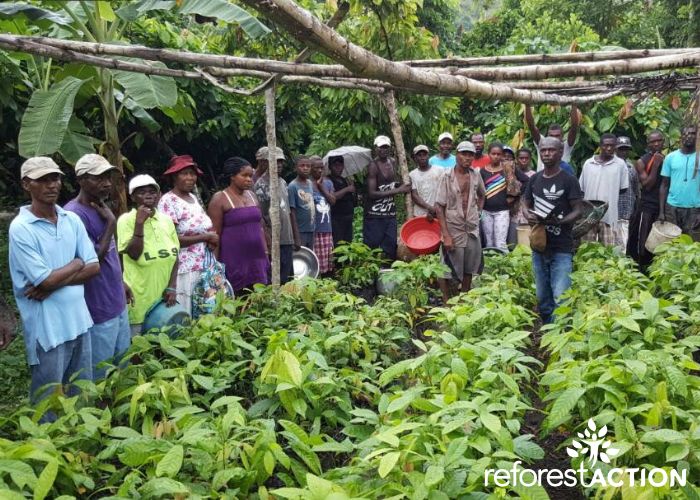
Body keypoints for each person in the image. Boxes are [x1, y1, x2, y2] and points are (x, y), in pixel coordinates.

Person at [9, 157, 99, 405]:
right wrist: (76, 262)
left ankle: (80, 442)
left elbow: (94, 266)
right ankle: (43, 443)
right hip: (47, 328)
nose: (52, 185)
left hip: (79, 320)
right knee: (47, 400)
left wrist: (55, 280)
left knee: (80, 393)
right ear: (27, 184)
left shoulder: (71, 219)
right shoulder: (21, 228)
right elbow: (45, 280)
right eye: (43, 180)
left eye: (55, 178)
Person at [64, 154, 130, 379]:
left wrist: (120, 282)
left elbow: (111, 254)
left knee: (121, 369)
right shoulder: (74, 214)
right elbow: (91, 261)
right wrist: (111, 223)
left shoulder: (100, 206)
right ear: (81, 180)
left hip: (116, 301)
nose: (107, 183)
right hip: (98, 307)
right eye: (99, 178)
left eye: (108, 177)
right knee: (101, 375)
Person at [524, 137, 585, 324]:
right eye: (543, 150)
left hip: (561, 247)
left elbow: (579, 209)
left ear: (560, 153)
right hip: (539, 247)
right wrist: (528, 215)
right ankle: (547, 333)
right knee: (543, 297)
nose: (546, 153)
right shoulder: (535, 179)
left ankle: (561, 335)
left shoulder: (569, 180)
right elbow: (525, 203)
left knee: (561, 296)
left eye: (551, 150)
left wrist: (561, 222)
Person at [117, 175, 179, 335]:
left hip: (164, 299)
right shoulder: (126, 220)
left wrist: (172, 286)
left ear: (159, 195)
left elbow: (175, 255)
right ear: (132, 197)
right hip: (139, 297)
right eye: (142, 192)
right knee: (139, 348)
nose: (149, 195)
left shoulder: (166, 220)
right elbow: (134, 254)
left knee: (164, 344)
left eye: (152, 191)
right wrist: (139, 223)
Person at [157, 155, 218, 316]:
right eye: (184, 174)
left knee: (204, 310)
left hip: (202, 264)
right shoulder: (168, 201)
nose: (190, 178)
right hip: (183, 268)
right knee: (186, 312)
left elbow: (203, 225)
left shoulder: (192, 197)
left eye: (192, 174)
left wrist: (211, 237)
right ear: (174, 177)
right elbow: (171, 240)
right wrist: (205, 237)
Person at [208, 157, 269, 292]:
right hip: (234, 259)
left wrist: (266, 252)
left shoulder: (252, 196)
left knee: (258, 296)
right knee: (236, 295)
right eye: (244, 175)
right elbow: (214, 235)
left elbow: (260, 227)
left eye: (251, 176)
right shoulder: (220, 199)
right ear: (232, 176)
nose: (249, 179)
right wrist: (214, 265)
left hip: (256, 257)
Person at [435, 141, 485, 301]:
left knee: (470, 266)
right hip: (453, 227)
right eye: (464, 154)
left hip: (471, 227)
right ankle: (445, 301)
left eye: (470, 154)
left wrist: (478, 212)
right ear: (457, 155)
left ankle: (464, 298)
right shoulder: (446, 176)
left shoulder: (476, 175)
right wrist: (446, 234)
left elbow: (483, 194)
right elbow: (439, 206)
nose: (467, 158)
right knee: (445, 267)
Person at [363, 135, 411, 260]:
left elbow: (390, 184)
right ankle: (371, 276)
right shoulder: (373, 166)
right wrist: (398, 190)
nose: (383, 150)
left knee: (390, 246)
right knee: (371, 247)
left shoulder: (393, 162)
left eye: (386, 147)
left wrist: (399, 185)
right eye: (380, 147)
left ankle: (388, 274)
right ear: (375, 149)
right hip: (374, 214)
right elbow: (372, 193)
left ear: (390, 148)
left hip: (389, 213)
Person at [253, 146, 295, 283]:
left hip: (286, 238)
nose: (279, 165)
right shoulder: (261, 185)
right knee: (276, 279)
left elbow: (287, 210)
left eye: (281, 161)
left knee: (288, 279)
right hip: (274, 240)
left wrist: (294, 236)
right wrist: (268, 240)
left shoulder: (282, 182)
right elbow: (261, 217)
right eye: (276, 161)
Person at [579, 134, 629, 245]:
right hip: (589, 216)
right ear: (600, 146)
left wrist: (609, 194)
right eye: (606, 145)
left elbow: (623, 189)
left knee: (608, 250)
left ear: (615, 146)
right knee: (586, 249)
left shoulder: (620, 165)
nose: (609, 148)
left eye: (612, 145)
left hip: (609, 216)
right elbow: (581, 189)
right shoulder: (588, 163)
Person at [627, 131, 665, 268]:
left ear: (663, 142)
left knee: (660, 241)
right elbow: (647, 186)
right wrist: (655, 166)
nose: (656, 144)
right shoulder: (641, 161)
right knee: (643, 240)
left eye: (659, 140)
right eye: (652, 142)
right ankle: (640, 268)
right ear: (648, 144)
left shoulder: (668, 159)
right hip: (647, 207)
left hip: (663, 207)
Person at [659, 124, 700, 241]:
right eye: (685, 134)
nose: (688, 137)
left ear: (697, 136)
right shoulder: (670, 157)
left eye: (692, 133)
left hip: (694, 209)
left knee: (692, 245)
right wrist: (662, 211)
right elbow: (664, 185)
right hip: (672, 208)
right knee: (671, 244)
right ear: (681, 137)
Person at [480, 142, 523, 250]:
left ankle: (504, 265)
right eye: (493, 154)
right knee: (489, 243)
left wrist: (513, 197)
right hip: (486, 211)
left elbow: (526, 181)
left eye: (499, 154)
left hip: (502, 211)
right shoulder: (482, 171)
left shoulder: (507, 169)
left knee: (500, 243)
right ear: (488, 154)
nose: (496, 156)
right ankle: (489, 265)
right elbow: (479, 191)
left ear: (502, 155)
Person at [524, 104, 581, 171]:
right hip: (542, 180)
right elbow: (531, 126)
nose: (554, 138)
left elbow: (574, 127)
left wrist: (574, 104)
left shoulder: (566, 146)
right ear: (547, 136)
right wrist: (527, 104)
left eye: (557, 136)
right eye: (551, 136)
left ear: (562, 137)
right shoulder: (542, 143)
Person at [310, 157, 336, 274]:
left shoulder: (328, 183)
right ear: (311, 169)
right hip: (314, 229)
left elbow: (333, 201)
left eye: (322, 168)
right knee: (315, 263)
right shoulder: (307, 185)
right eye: (317, 168)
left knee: (327, 264)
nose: (320, 170)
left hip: (326, 227)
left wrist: (321, 188)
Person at [614, 136, 639, 249]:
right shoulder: (608, 165)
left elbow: (635, 191)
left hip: (625, 214)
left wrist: (634, 210)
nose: (623, 152)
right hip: (610, 215)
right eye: (621, 149)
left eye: (626, 149)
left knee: (623, 246)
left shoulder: (631, 167)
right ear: (615, 149)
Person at [288, 155, 316, 250]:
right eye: (302, 165)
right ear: (295, 168)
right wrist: (296, 237)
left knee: (310, 257)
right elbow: (292, 212)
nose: (305, 168)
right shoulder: (292, 186)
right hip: (300, 231)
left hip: (311, 229)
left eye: (308, 166)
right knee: (301, 258)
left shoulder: (310, 183)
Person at [409, 144, 443, 218]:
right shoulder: (412, 174)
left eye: (424, 155)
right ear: (415, 158)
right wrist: (430, 208)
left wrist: (435, 209)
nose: (422, 157)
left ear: (428, 156)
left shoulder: (439, 170)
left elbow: (443, 191)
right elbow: (414, 195)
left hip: (437, 212)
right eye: (419, 155)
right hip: (419, 214)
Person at [328, 156, 356, 246]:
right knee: (338, 243)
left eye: (340, 165)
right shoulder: (328, 180)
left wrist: (351, 188)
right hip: (336, 218)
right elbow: (333, 197)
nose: (338, 167)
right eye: (335, 165)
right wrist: (347, 189)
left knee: (347, 243)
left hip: (347, 218)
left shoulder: (344, 179)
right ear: (330, 167)